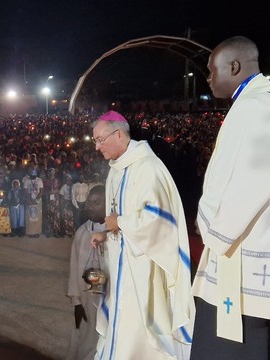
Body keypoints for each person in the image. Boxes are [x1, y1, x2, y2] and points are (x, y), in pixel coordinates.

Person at [190, 36, 270, 359]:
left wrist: (210, 225)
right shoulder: (262, 104)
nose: (208, 78)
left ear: (234, 66)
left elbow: (253, 180)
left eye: (212, 70)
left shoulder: (255, 108)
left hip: (247, 277)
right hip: (258, 266)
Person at [90, 110, 193, 359]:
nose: (97, 147)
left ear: (119, 134)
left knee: (137, 331)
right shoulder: (116, 168)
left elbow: (158, 221)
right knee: (120, 326)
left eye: (100, 139)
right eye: (94, 141)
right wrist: (108, 232)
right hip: (121, 265)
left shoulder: (147, 167)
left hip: (142, 268)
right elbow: (120, 215)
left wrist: (119, 222)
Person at [66, 185, 108, 360]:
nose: (89, 206)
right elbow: (74, 268)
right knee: (84, 337)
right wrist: (76, 301)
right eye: (89, 201)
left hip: (107, 298)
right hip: (85, 298)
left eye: (96, 202)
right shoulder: (81, 233)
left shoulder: (115, 236)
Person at [23, 168, 43, 237]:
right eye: (31, 176)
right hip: (29, 200)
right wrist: (30, 199)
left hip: (37, 200)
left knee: (37, 216)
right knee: (30, 216)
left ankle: (37, 232)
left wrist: (36, 199)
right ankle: (30, 232)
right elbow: (25, 191)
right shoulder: (26, 180)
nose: (32, 177)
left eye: (34, 176)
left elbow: (41, 190)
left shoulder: (39, 180)